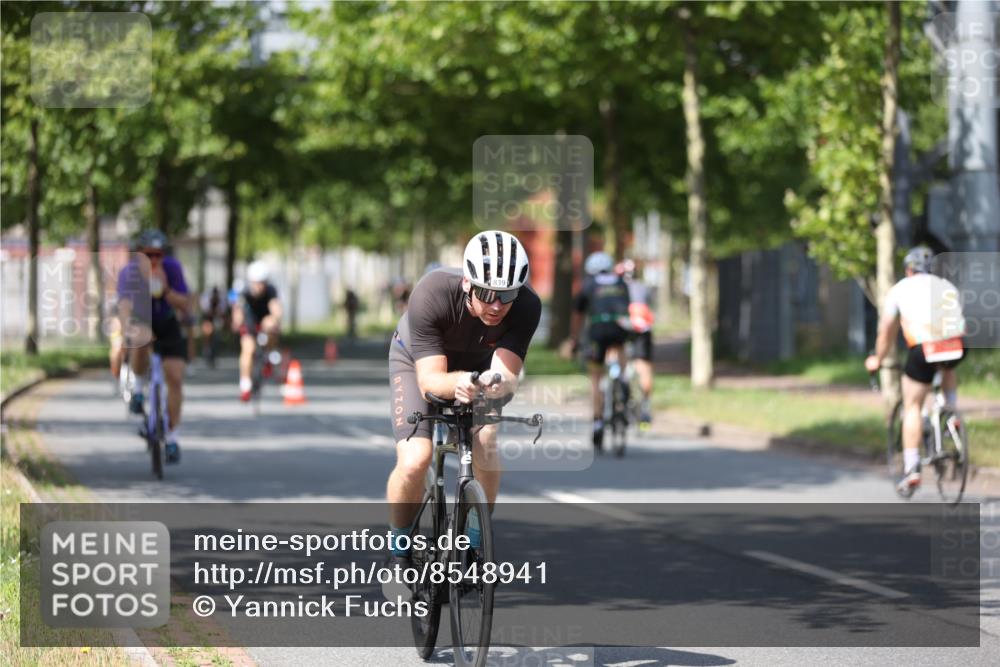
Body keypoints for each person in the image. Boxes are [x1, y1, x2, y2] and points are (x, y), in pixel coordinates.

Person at [386, 231, 540, 567]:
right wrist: (462, 381)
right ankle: (398, 551)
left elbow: (506, 376)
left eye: (507, 295)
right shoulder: (432, 292)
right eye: (487, 294)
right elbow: (431, 381)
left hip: (478, 366)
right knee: (416, 458)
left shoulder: (527, 305)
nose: (497, 306)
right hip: (417, 362)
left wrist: (495, 385)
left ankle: (474, 542)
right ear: (468, 283)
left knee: (486, 437)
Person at [865, 246, 966, 495]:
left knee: (912, 405)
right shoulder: (946, 285)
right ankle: (951, 412)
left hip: (923, 348)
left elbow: (887, 331)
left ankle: (912, 468)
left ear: (909, 269)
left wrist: (877, 358)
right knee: (948, 363)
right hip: (957, 344)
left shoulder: (900, 288)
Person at [115, 229, 191, 463]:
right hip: (142, 319)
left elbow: (186, 304)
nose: (154, 260)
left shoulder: (172, 269)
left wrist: (165, 290)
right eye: (149, 254)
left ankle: (172, 438)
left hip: (167, 322)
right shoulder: (129, 273)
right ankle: (138, 389)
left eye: (159, 255)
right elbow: (125, 305)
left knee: (175, 378)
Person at [566, 251, 632, 450]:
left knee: (595, 377)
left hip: (598, 330)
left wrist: (574, 340)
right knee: (619, 348)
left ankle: (597, 422)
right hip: (620, 327)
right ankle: (622, 380)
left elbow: (577, 316)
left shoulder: (588, 285)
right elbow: (627, 306)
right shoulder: (621, 282)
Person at [231, 260, 282, 402]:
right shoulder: (243, 291)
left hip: (264, 318)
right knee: (248, 349)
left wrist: (274, 319)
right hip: (249, 321)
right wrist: (237, 321)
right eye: (256, 283)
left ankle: (269, 355)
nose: (259, 286)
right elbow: (238, 310)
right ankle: (245, 385)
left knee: (272, 326)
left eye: (262, 283)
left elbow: (276, 309)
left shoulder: (271, 291)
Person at [617, 258, 655, 429]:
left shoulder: (615, 288)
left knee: (616, 356)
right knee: (644, 367)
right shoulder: (644, 288)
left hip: (623, 326)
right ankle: (646, 407)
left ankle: (618, 382)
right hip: (642, 327)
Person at [199, 285, 225, 367]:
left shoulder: (222, 299)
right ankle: (206, 348)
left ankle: (215, 352)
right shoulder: (206, 299)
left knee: (217, 333)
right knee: (207, 330)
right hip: (207, 317)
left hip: (217, 317)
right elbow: (206, 311)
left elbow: (222, 312)